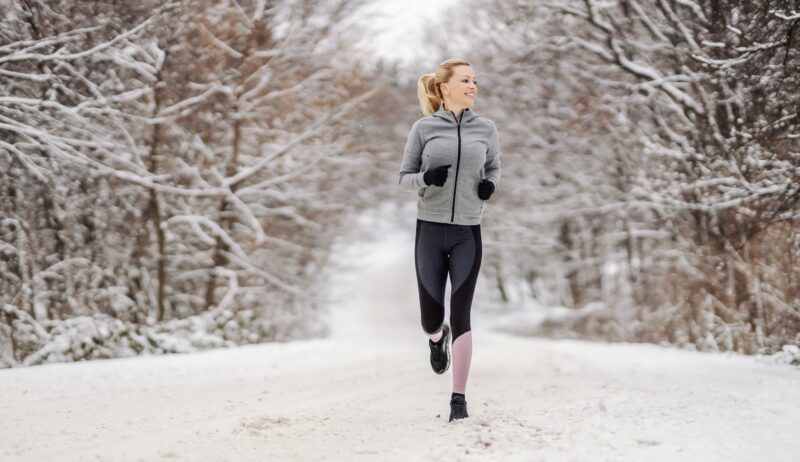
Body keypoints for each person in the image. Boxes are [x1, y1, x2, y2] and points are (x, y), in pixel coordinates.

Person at [398, 58, 501, 422]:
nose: (473, 86)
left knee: (462, 313)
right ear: (445, 88)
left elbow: (493, 168)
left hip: (467, 231)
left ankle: (458, 399)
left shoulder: (486, 129)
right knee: (431, 318)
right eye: (466, 80)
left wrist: (490, 185)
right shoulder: (424, 129)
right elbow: (404, 177)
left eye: (475, 80)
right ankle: (435, 336)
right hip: (430, 229)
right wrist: (427, 178)